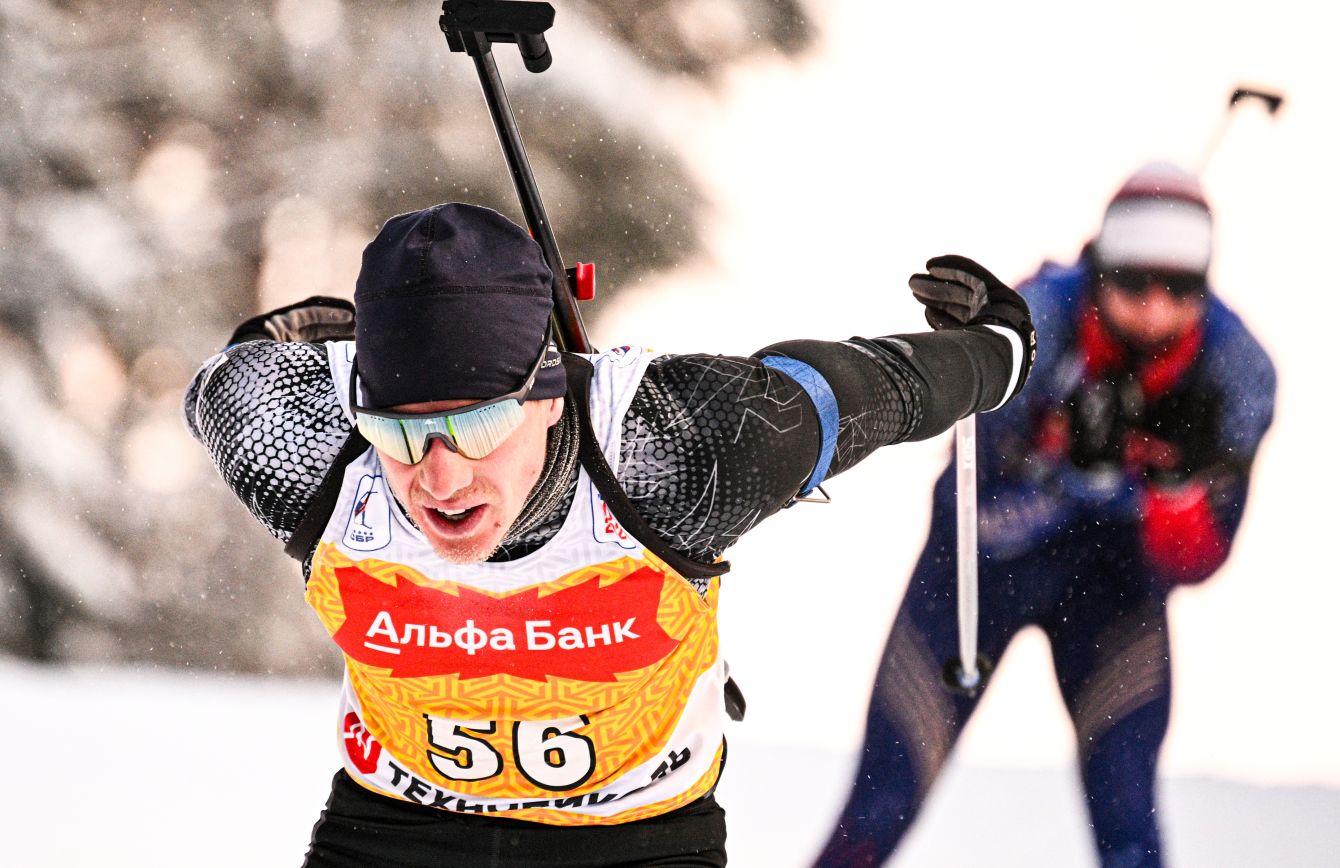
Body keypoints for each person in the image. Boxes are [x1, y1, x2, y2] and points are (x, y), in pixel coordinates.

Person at [184, 202, 1035, 867]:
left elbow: (881, 391)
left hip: (636, 841)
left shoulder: (675, 449)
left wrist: (997, 344)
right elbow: (228, 381)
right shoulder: (303, 446)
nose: (438, 479)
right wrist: (272, 341)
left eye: (477, 426)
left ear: (549, 392)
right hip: (393, 832)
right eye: (400, 434)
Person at [812, 162, 1276, 868]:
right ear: (1099, 269)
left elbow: (1197, 563)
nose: (1155, 308)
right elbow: (968, 515)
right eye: (1133, 283)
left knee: (1129, 825)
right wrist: (1069, 470)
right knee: (879, 808)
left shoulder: (1237, 372)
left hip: (1114, 595)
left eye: (1180, 288)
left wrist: (1176, 488)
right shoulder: (1037, 323)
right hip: (971, 587)